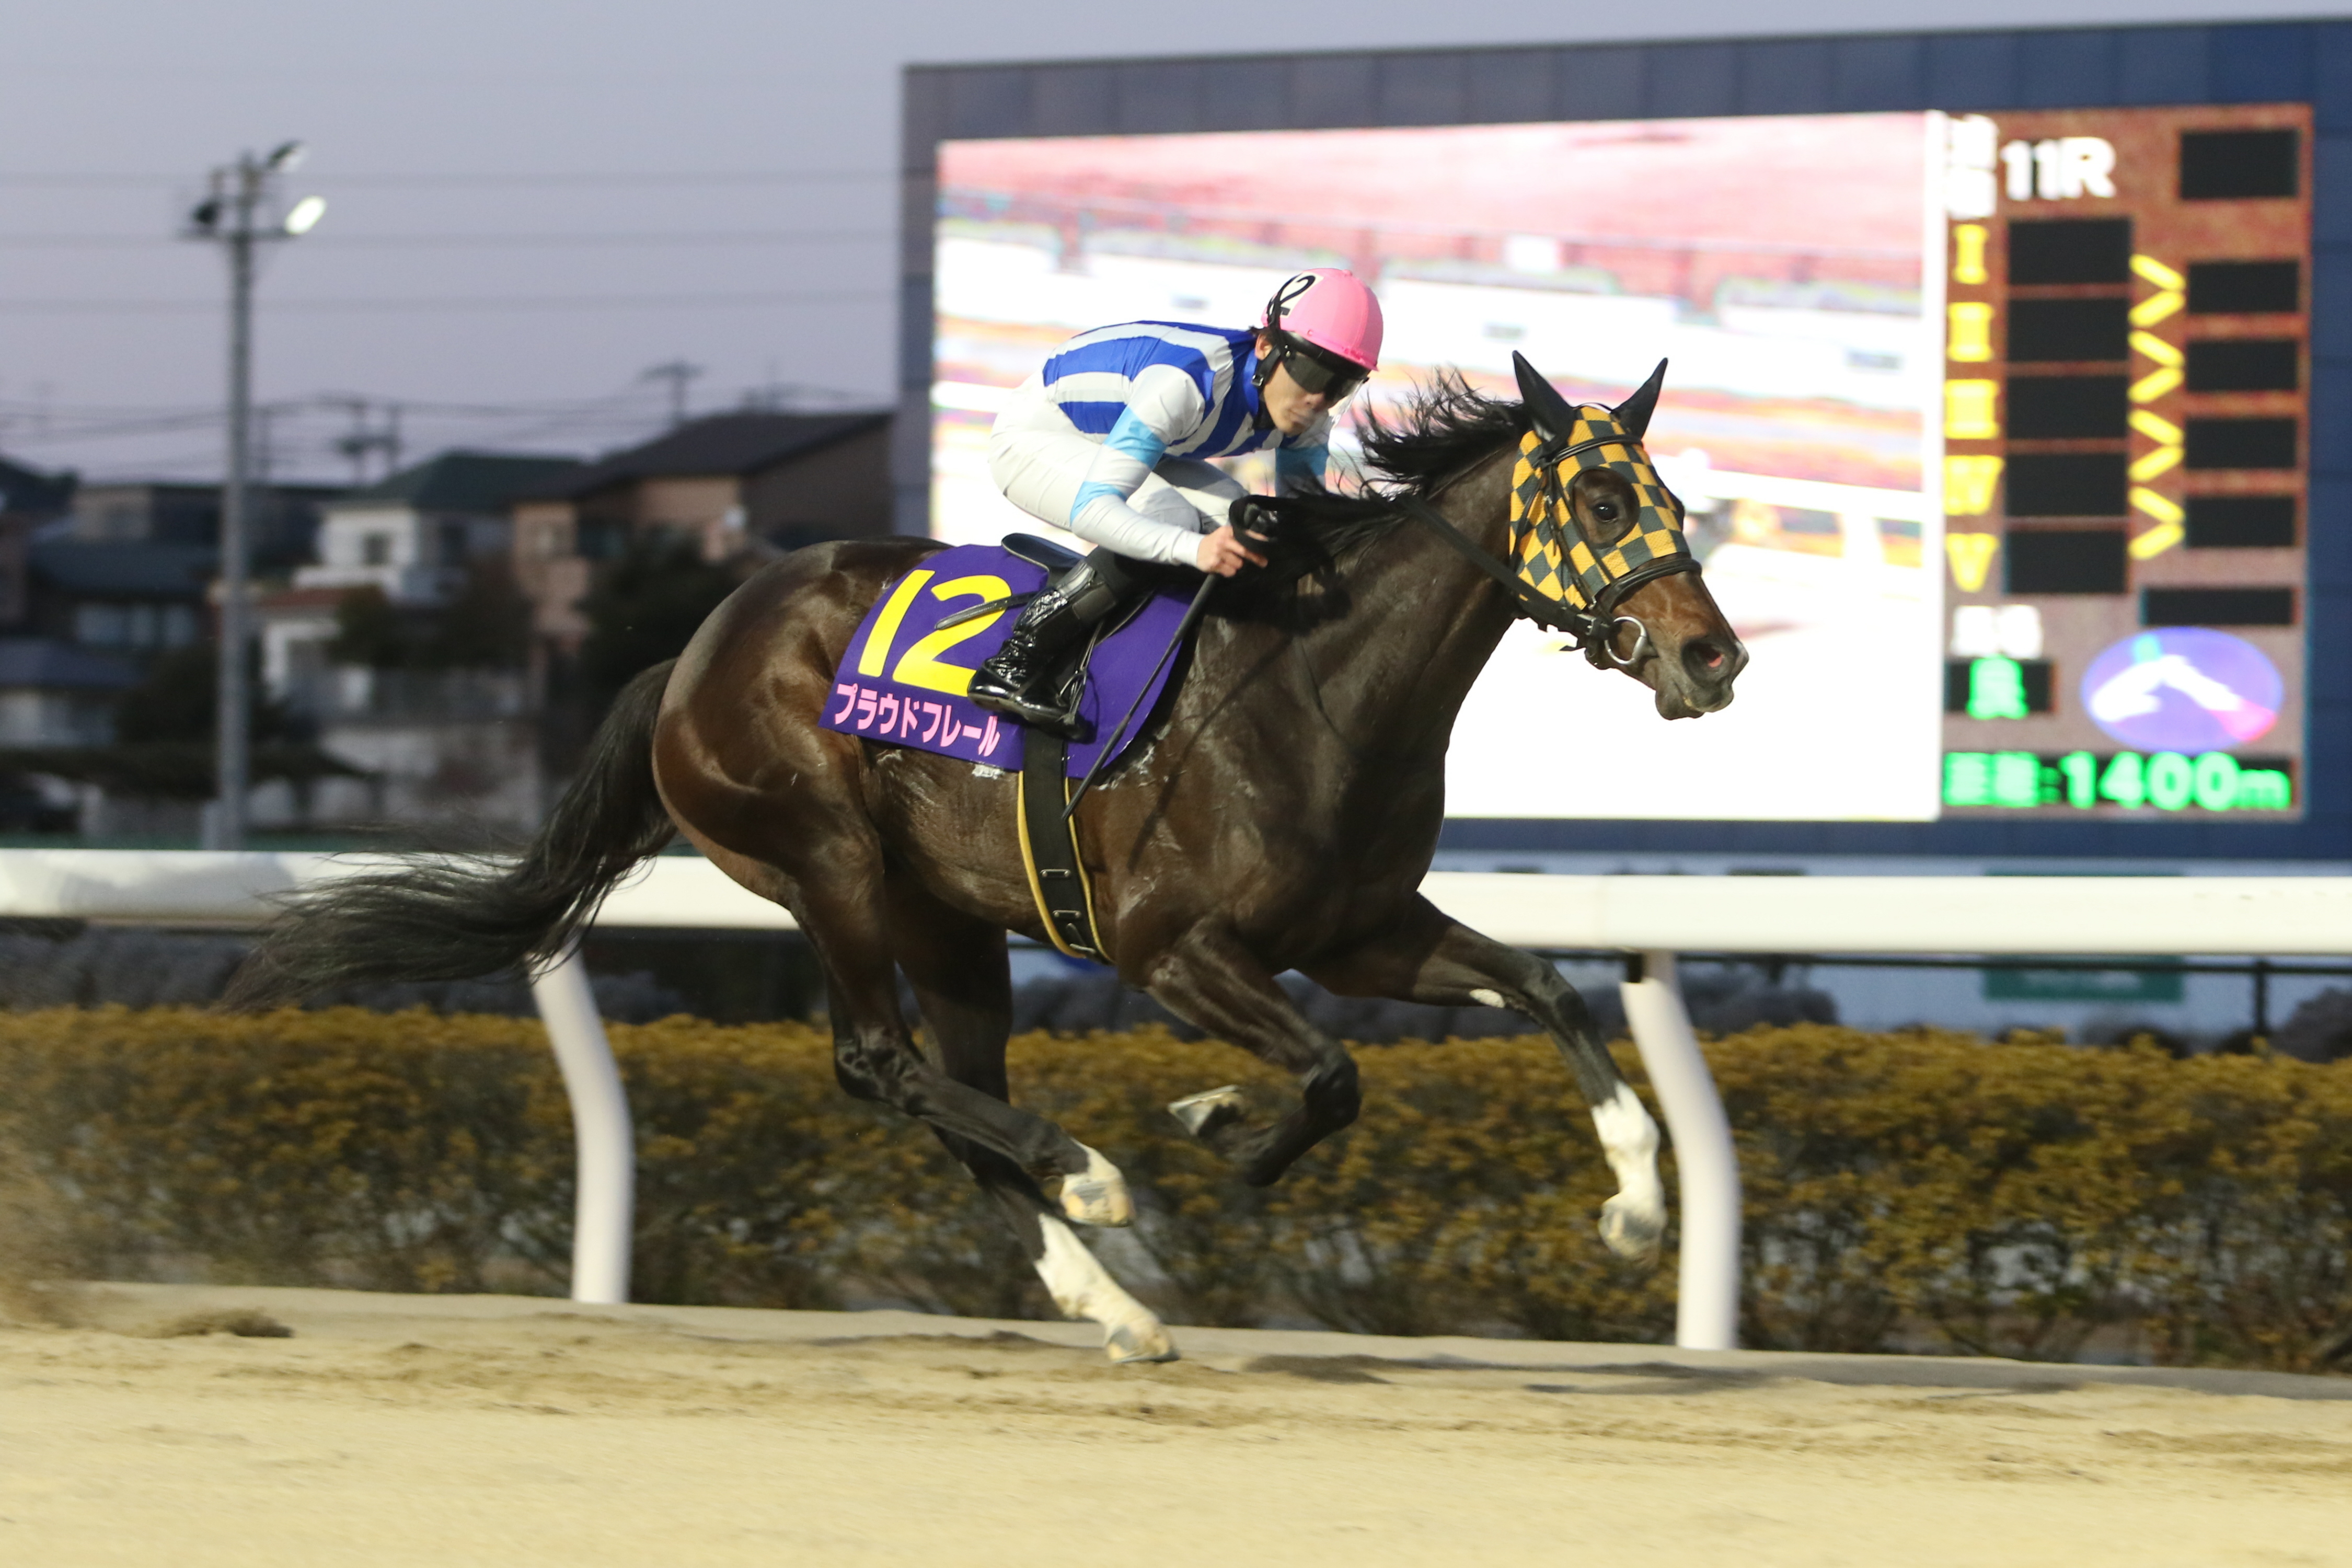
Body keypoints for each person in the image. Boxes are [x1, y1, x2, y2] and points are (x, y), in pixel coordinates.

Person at [967, 267, 1383, 734]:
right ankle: (1014, 662)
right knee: (1172, 520)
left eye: (1342, 384)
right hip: (1037, 435)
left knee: (1242, 520)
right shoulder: (1186, 382)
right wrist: (1194, 550)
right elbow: (1094, 511)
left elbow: (1302, 520)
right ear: (1267, 347)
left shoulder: (1309, 409)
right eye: (1312, 371)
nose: (1318, 398)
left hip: (1116, 441)